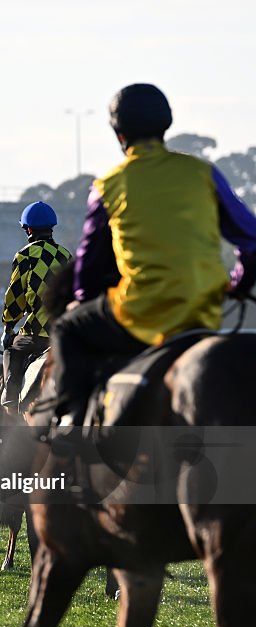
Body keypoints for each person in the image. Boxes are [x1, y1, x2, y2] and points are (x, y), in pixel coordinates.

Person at [52, 84, 256, 428]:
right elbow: (251, 241)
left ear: (120, 135)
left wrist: (83, 300)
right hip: (204, 309)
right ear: (166, 125)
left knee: (67, 329)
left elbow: (88, 267)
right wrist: (237, 284)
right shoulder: (203, 173)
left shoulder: (108, 185)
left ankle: (70, 420)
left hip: (139, 312)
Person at [0, 202, 72, 411]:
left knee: (11, 349)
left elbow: (15, 297)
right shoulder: (66, 254)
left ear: (28, 230)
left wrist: (8, 327)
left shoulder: (25, 255)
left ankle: (11, 401)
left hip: (36, 335)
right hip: (64, 334)